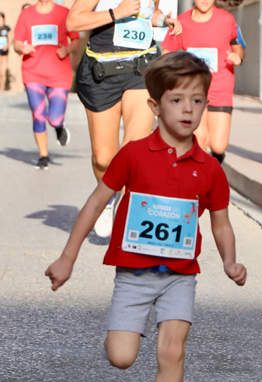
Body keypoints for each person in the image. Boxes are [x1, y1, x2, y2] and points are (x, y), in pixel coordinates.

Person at [44, 52, 247, 382]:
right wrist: (67, 258)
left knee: (172, 350)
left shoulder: (209, 169)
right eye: (177, 100)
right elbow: (95, 203)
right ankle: (120, 338)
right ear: (155, 106)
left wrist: (230, 261)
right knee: (122, 357)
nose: (188, 110)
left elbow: (221, 223)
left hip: (179, 276)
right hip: (134, 275)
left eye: (196, 101)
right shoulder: (133, 155)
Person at [66, 0, 180, 239]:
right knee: (103, 158)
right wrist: (116, 12)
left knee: (134, 150)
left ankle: (127, 214)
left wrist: (162, 20)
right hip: (101, 72)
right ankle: (108, 197)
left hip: (141, 69)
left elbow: (149, 14)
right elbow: (73, 21)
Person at [162, 0, 243, 164]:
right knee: (200, 139)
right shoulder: (182, 21)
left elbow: (238, 45)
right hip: (192, 90)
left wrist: (238, 57)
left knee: (219, 146)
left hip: (220, 87)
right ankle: (201, 182)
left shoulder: (226, 20)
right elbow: (166, 52)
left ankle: (213, 167)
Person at [14, 0, 81, 170]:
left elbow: (76, 41)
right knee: (38, 114)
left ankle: (58, 126)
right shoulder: (27, 14)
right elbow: (16, 43)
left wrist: (66, 50)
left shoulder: (64, 13)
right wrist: (23, 48)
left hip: (58, 74)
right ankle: (43, 155)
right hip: (33, 73)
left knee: (55, 117)